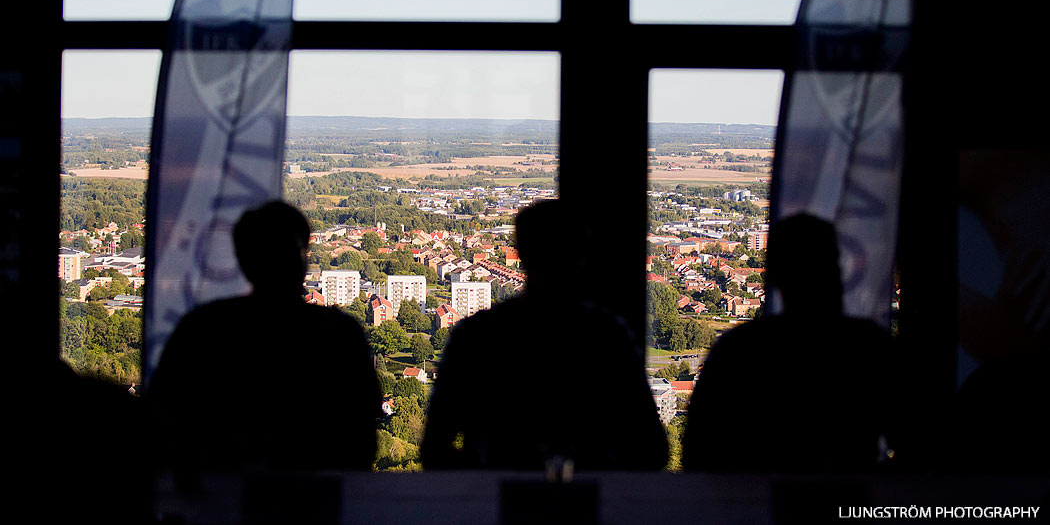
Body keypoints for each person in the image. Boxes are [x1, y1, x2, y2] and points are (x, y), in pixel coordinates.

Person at [422, 198, 668, 471]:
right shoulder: (607, 339)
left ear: (522, 255)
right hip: (585, 504)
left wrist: (486, 481)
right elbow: (652, 450)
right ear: (582, 256)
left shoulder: (476, 337)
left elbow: (435, 448)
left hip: (497, 504)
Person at [148, 201, 380, 476]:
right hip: (314, 500)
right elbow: (363, 434)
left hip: (221, 501)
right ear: (303, 260)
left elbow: (163, 422)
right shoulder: (339, 333)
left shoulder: (203, 328)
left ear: (244, 262)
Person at [682, 213, 896, 473]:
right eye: (832, 264)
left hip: (754, 506)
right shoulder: (869, 347)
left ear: (773, 276)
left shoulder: (739, 351)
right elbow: (923, 445)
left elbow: (697, 454)